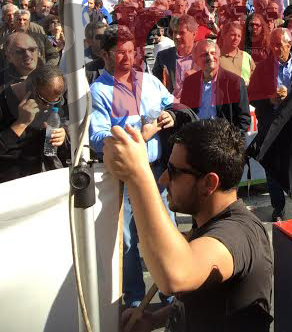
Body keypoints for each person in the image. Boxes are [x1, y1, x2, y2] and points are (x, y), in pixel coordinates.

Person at [104, 119, 273, 332]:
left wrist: (138, 174)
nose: (164, 179)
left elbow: (175, 275)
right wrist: (155, 319)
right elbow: (204, 296)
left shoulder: (238, 232)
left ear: (209, 184)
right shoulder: (206, 223)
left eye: (174, 171)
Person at [89, 25, 179, 308]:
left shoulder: (148, 80)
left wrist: (169, 116)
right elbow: (96, 138)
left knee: (166, 232)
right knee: (127, 241)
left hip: (156, 173)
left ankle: (172, 293)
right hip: (125, 176)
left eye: (131, 51)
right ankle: (134, 299)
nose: (127, 58)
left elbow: (172, 104)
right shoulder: (99, 90)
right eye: (120, 53)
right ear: (104, 54)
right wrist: (139, 133)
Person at [249, 28, 292, 221]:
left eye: (278, 45)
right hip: (271, 125)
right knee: (272, 167)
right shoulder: (263, 68)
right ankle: (278, 208)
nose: (273, 48)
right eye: (271, 44)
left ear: (288, 45)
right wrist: (270, 100)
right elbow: (252, 95)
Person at [0, 64, 68, 183]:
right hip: (7, 185)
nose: (48, 107)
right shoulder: (3, 102)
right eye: (44, 101)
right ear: (30, 87)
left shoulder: (48, 103)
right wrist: (21, 124)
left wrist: (63, 135)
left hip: (36, 181)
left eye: (54, 102)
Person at [180, 40, 251, 132]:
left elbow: (244, 120)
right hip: (196, 137)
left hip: (223, 140)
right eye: (204, 54)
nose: (210, 57)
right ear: (196, 60)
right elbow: (184, 114)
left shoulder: (235, 82)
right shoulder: (190, 82)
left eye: (213, 53)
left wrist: (230, 141)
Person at [153, 14, 199, 101]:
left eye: (182, 33)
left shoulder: (205, 56)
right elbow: (155, 85)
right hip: (171, 107)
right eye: (175, 32)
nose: (177, 36)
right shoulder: (163, 56)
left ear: (194, 34)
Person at [218, 20, 256, 85]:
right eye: (233, 35)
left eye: (239, 36)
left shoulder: (246, 56)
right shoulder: (216, 57)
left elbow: (256, 79)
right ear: (223, 35)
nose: (236, 38)